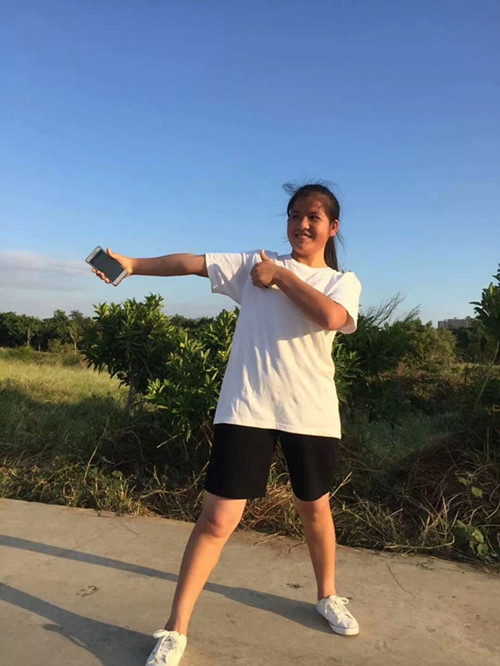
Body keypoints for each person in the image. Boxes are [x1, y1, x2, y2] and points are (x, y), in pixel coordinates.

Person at [92, 183, 362, 666]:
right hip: (246, 408)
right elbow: (192, 263)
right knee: (217, 519)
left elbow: (330, 317)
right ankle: (175, 629)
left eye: (313, 217)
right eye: (294, 215)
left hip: (311, 413)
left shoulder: (341, 282)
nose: (301, 224)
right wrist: (133, 264)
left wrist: (280, 276)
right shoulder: (252, 264)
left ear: (332, 227)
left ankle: (327, 596)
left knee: (314, 509)